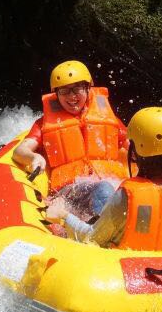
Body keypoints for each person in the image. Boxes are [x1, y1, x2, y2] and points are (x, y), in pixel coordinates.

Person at [45, 107, 162, 250]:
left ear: (135, 151)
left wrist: (63, 215)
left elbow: (92, 239)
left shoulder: (128, 197)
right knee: (103, 193)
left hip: (124, 269)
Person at [12, 60, 129, 215]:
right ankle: (104, 233)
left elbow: (133, 146)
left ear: (88, 88)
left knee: (120, 192)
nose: (72, 96)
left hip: (109, 184)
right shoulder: (43, 125)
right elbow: (20, 151)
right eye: (64, 91)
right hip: (70, 191)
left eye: (77, 89)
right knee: (104, 189)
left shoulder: (109, 119)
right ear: (56, 94)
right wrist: (32, 158)